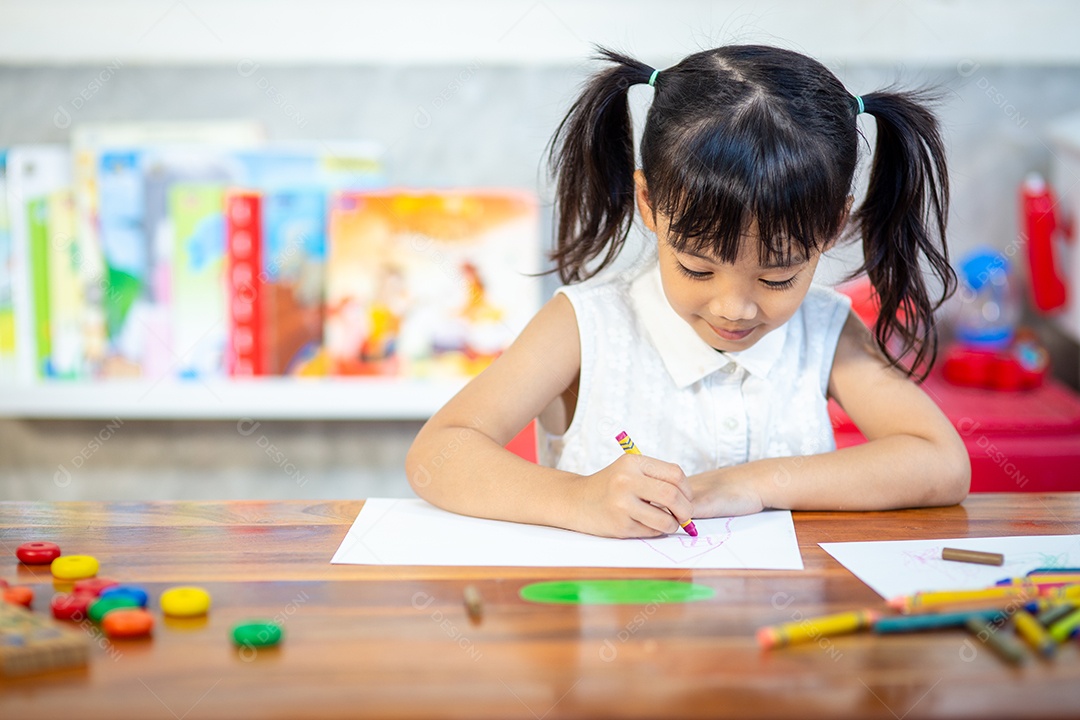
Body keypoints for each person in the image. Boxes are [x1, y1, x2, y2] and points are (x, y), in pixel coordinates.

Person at [405, 44, 970, 538]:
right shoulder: (585, 326)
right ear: (649, 204)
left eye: (777, 278)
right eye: (698, 270)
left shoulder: (824, 327)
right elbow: (438, 454)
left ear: (832, 225)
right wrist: (576, 499)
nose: (734, 308)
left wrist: (748, 484)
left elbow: (941, 462)